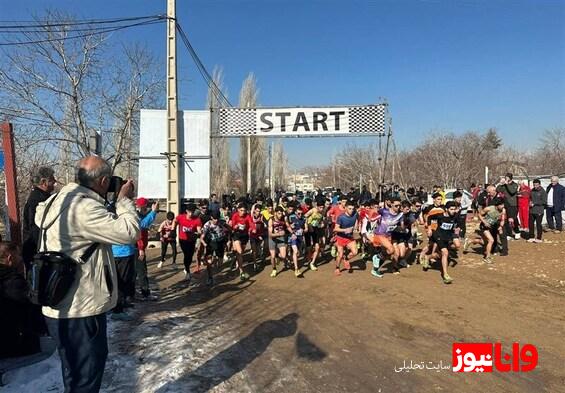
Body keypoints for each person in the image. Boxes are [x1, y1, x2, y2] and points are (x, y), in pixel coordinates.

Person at [35, 156, 139, 393]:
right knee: (86, 380)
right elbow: (129, 232)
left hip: (57, 305)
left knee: (73, 373)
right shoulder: (83, 208)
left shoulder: (54, 201)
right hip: (81, 308)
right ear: (103, 180)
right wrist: (123, 201)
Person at [0, 242, 40, 358]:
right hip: (13, 342)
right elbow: (30, 306)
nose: (21, 259)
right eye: (19, 255)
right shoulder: (13, 281)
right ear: (10, 258)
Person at [22, 166, 56, 268]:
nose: (54, 182)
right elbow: (34, 227)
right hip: (36, 252)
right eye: (52, 179)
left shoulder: (42, 197)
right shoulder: (38, 200)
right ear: (44, 182)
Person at [426, 201, 460, 284]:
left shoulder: (455, 216)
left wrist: (456, 231)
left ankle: (428, 257)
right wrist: (430, 229)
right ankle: (445, 275)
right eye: (451, 209)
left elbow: (457, 226)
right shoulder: (440, 216)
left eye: (454, 209)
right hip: (438, 236)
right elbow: (429, 218)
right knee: (445, 252)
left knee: (455, 247)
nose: (453, 211)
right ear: (446, 209)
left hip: (448, 236)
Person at [464, 197, 505, 264]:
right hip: (484, 226)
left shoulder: (503, 210)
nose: (502, 206)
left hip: (491, 227)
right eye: (501, 205)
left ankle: (470, 241)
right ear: (497, 205)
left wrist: (500, 226)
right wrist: (484, 222)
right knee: (491, 240)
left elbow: (502, 220)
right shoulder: (489, 208)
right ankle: (487, 257)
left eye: (503, 204)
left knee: (484, 242)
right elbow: (479, 214)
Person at [135, 198, 158, 300]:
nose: (147, 208)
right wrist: (153, 212)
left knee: (136, 271)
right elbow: (142, 225)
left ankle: (132, 294)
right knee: (142, 271)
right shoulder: (136, 216)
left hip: (139, 247)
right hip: (136, 247)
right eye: (146, 206)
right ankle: (145, 293)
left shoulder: (140, 214)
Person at [200, 211, 228, 286]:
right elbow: (202, 237)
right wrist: (205, 244)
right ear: (211, 218)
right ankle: (210, 277)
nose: (216, 221)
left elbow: (228, 230)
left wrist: (226, 242)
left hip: (220, 242)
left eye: (217, 219)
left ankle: (216, 264)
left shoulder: (221, 223)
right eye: (215, 219)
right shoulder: (207, 225)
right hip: (210, 243)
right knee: (209, 262)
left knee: (220, 263)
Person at [176, 203, 202, 282]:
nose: (191, 214)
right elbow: (175, 221)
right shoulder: (181, 217)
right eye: (189, 212)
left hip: (192, 240)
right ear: (186, 211)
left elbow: (199, 229)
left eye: (192, 212)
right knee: (186, 254)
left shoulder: (197, 219)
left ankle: (186, 267)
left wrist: (199, 233)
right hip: (183, 239)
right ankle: (187, 271)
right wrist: (173, 228)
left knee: (190, 256)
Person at [333, 199, 358, 276]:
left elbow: (356, 219)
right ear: (346, 208)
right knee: (340, 255)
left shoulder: (355, 214)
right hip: (340, 238)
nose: (351, 210)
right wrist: (345, 230)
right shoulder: (341, 217)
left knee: (355, 252)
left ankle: (346, 259)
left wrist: (355, 227)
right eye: (349, 209)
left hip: (349, 237)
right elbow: (335, 229)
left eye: (353, 209)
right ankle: (337, 268)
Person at [229, 203, 253, 281]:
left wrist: (252, 229)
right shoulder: (235, 215)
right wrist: (236, 226)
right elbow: (232, 225)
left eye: (244, 210)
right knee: (240, 252)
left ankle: (234, 261)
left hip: (244, 236)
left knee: (240, 253)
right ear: (238, 210)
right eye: (241, 210)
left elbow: (251, 224)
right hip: (236, 235)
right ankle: (241, 271)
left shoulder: (248, 216)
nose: (243, 212)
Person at [497, 173, 520, 239]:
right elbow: (498, 190)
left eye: (507, 177)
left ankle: (517, 231)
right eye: (505, 177)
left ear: (510, 178)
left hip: (513, 204)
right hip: (506, 204)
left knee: (513, 219)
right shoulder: (504, 185)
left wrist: (507, 184)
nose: (506, 179)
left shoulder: (514, 185)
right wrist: (500, 184)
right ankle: (508, 233)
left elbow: (512, 192)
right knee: (506, 219)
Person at [267, 206, 288, 278]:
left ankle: (277, 255)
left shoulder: (284, 218)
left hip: (281, 238)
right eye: (279, 213)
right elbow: (270, 234)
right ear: (275, 213)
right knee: (272, 256)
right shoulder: (271, 220)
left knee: (283, 256)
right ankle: (274, 269)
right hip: (272, 239)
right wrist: (278, 234)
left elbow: (287, 226)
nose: (280, 215)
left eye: (281, 214)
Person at [287, 208, 307, 277]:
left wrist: (303, 230)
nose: (300, 215)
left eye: (301, 213)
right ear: (295, 213)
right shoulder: (291, 218)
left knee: (296, 254)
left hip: (300, 238)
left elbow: (306, 229)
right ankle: (296, 269)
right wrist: (291, 230)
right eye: (298, 213)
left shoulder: (304, 219)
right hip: (293, 238)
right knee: (296, 252)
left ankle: (288, 260)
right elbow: (287, 227)